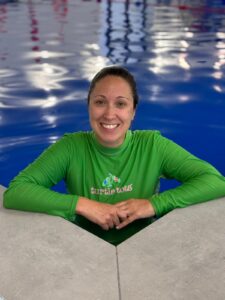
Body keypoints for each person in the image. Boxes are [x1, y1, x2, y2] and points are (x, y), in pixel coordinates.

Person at [3, 66, 225, 245]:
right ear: (88, 106)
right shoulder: (70, 148)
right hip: (85, 248)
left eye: (121, 104)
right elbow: (16, 192)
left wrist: (154, 205)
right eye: (100, 102)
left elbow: (214, 181)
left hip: (144, 246)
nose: (109, 114)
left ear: (133, 111)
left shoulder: (152, 146)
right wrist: (82, 205)